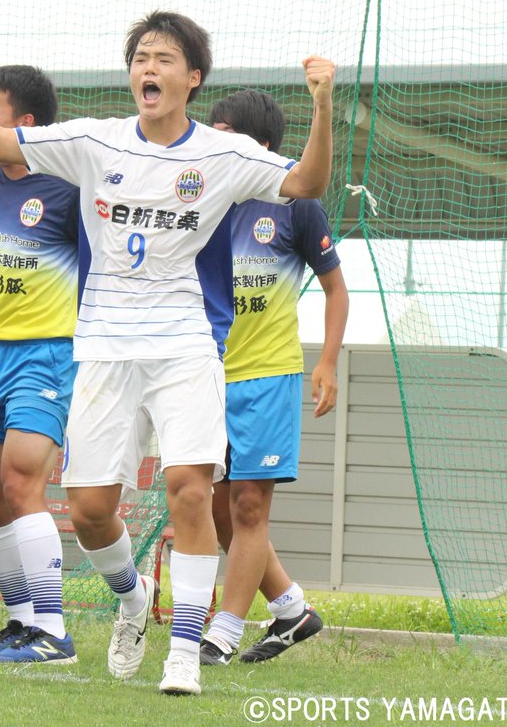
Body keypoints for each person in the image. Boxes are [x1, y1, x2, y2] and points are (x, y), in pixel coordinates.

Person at [0, 12, 335, 695]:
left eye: (165, 58)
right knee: (87, 508)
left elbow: (307, 183)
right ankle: (133, 596)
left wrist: (321, 103)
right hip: (106, 351)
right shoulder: (93, 141)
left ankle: (183, 653)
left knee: (192, 492)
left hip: (184, 349)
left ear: (192, 78)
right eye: (142, 56)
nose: (150, 67)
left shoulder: (222, 155)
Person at [199, 89, 348, 665]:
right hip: (205, 376)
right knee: (217, 512)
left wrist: (328, 363)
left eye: (224, 133)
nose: (211, 142)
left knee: (249, 510)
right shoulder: (203, 201)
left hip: (268, 379)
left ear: (258, 146)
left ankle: (223, 631)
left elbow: (336, 289)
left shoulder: (295, 204)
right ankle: (292, 611)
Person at [0, 65, 81, 664]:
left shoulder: (67, 186)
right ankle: (20, 619)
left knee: (20, 480)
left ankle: (54, 630)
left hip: (48, 354)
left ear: (25, 124)